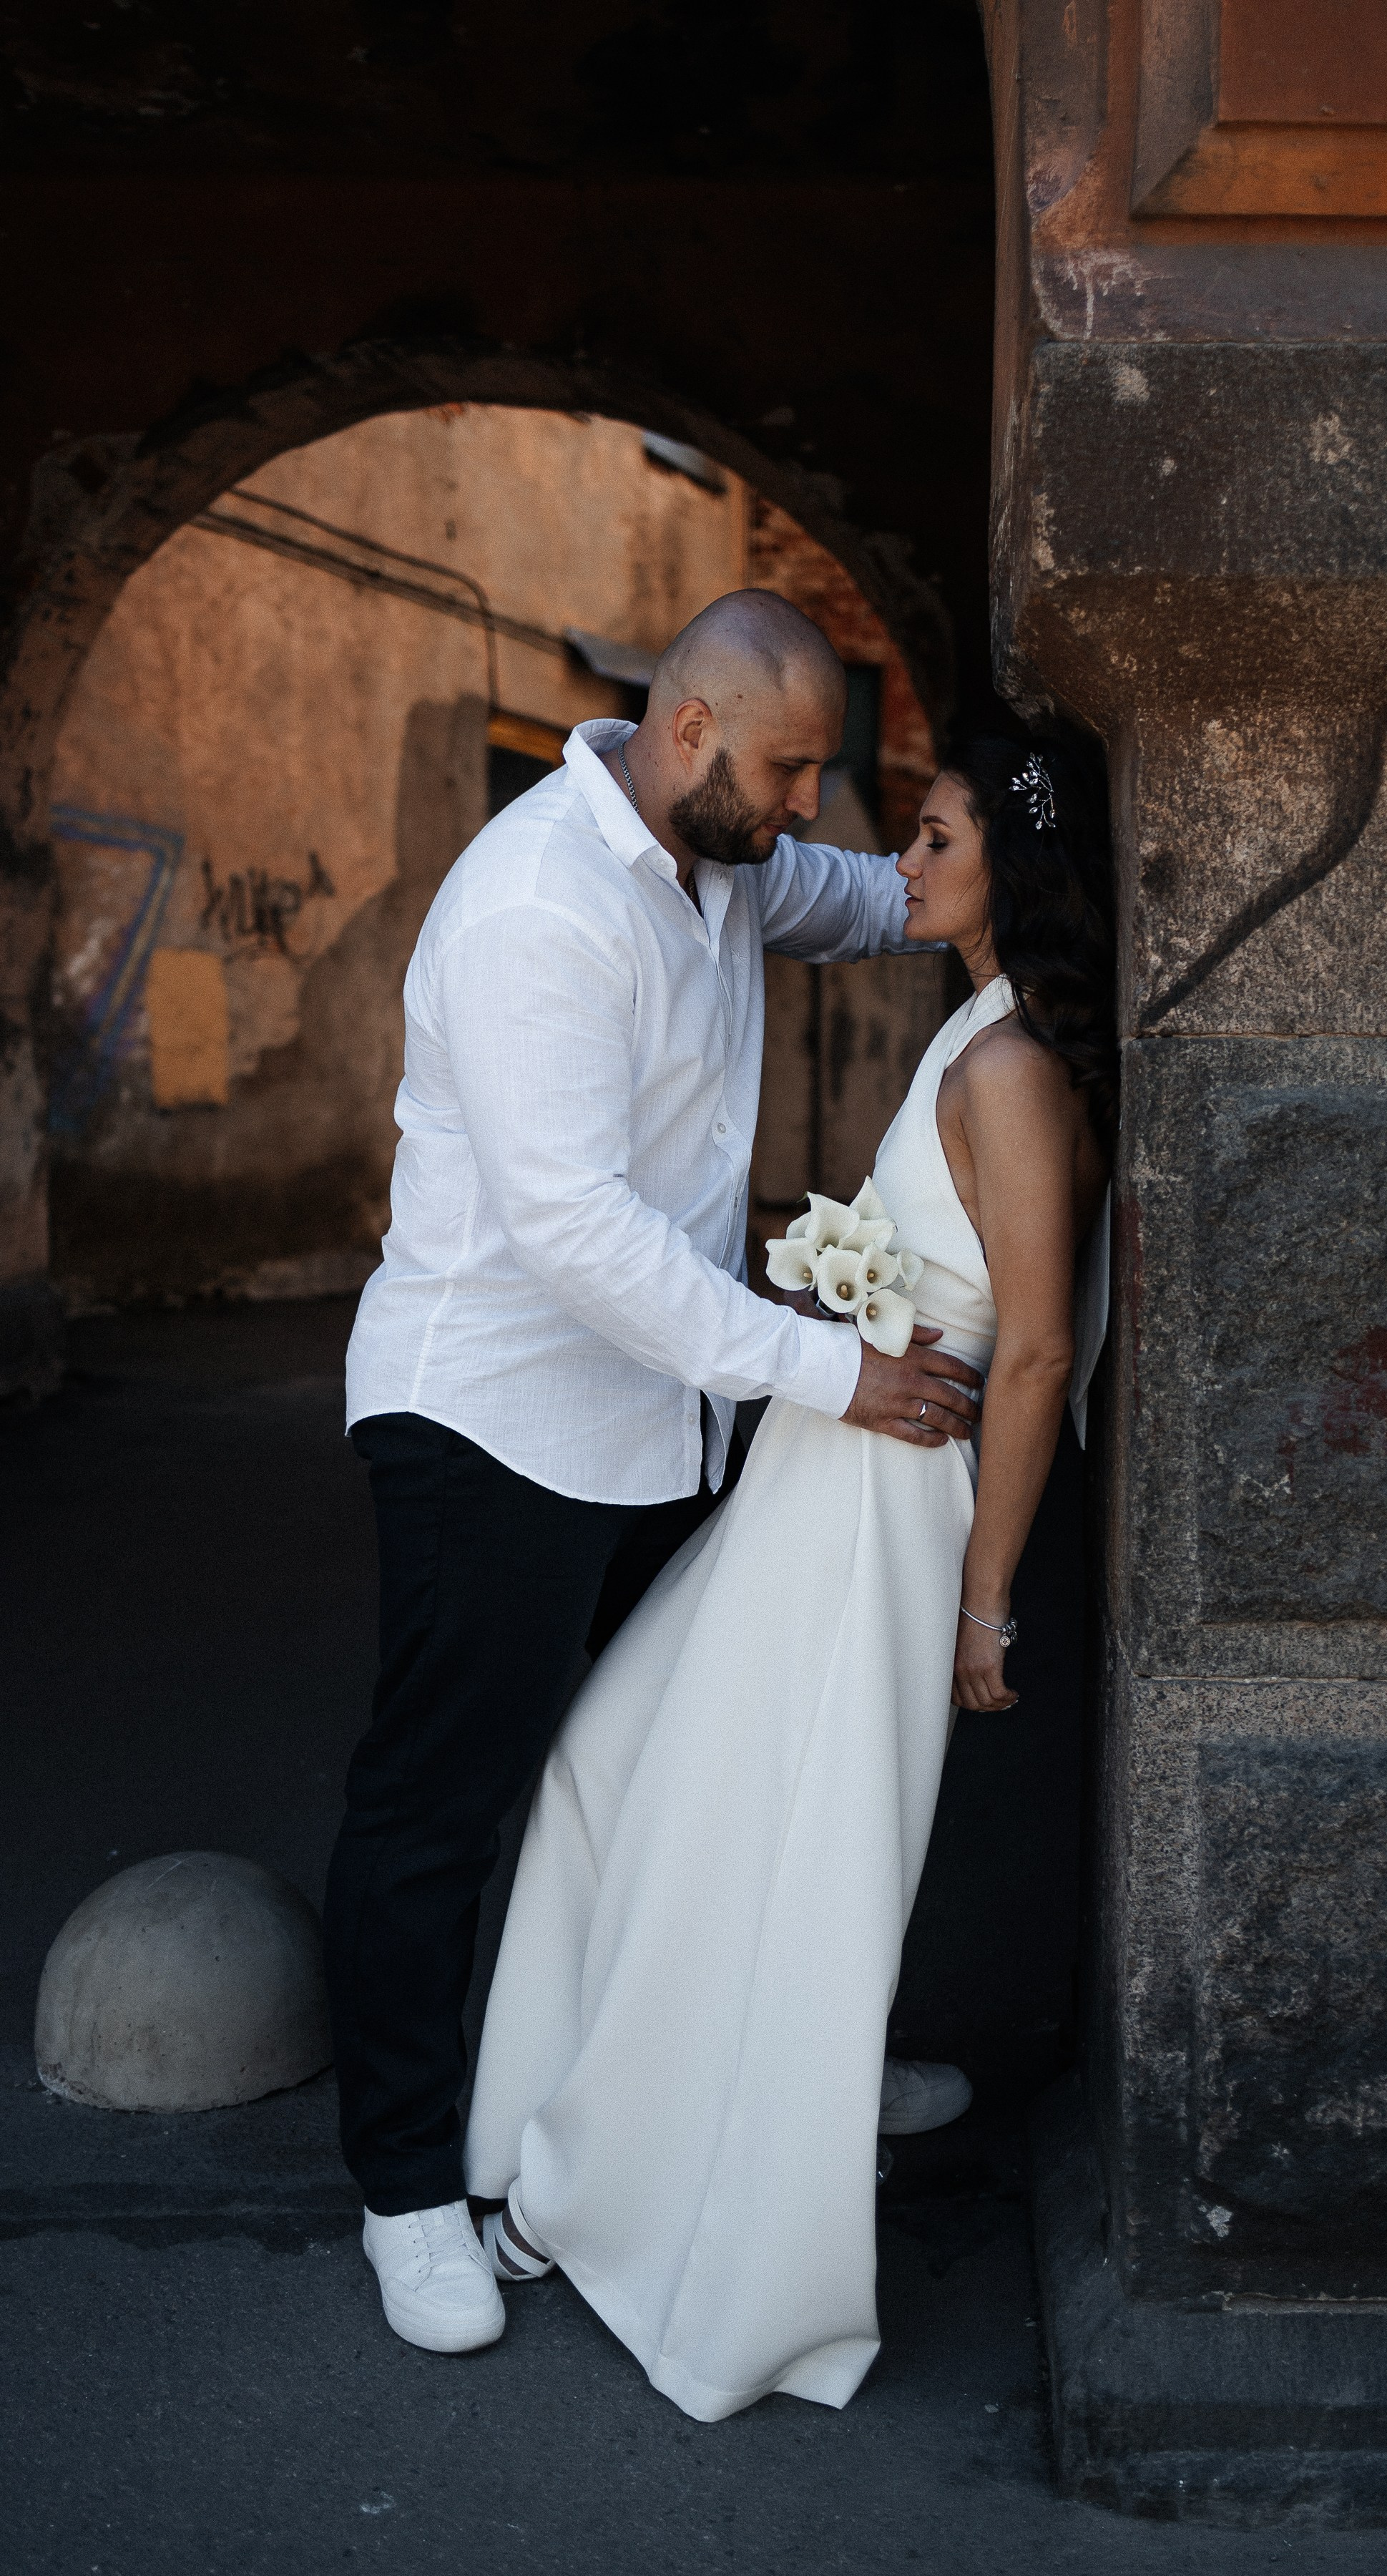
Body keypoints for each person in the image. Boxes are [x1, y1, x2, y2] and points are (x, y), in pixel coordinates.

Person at [328, 591, 989, 2358]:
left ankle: (717, 2095)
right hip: (492, 1416)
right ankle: (408, 2193)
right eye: (786, 771)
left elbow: (868, 902)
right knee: (439, 1810)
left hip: (648, 1420)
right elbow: (571, 1232)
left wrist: (1002, 904)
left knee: (650, 1767)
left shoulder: (730, 854)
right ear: (693, 729)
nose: (803, 811)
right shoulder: (540, 902)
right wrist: (828, 1372)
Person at [464, 733, 1114, 2420]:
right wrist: (841, 1302)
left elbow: (1033, 1355)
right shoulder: (971, 1032)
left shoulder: (1016, 1074)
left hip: (887, 1518)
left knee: (764, 1847)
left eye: (938, 837)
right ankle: (610, 2128)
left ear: (1012, 877)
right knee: (622, 1765)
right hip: (820, 1473)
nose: (904, 861)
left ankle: (627, 2198)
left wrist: (986, 1597)